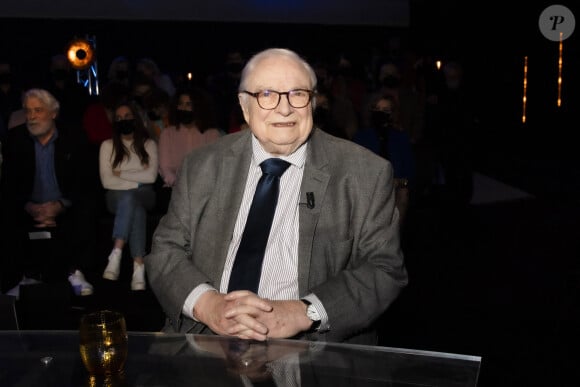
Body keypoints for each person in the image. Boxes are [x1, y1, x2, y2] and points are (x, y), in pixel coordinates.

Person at [145, 48, 408, 344]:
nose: (285, 109)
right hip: (206, 338)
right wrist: (208, 306)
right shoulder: (201, 165)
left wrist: (303, 313)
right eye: (267, 94)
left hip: (311, 350)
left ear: (312, 101)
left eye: (297, 93)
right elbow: (165, 250)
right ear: (245, 107)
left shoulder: (365, 173)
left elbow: (384, 269)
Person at [0, 88, 95, 297]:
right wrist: (30, 207)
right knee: (6, 214)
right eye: (28, 111)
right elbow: (9, 183)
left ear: (53, 113)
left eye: (38, 110)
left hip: (64, 204)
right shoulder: (16, 139)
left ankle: (75, 271)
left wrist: (59, 205)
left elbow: (84, 181)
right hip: (28, 205)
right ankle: (22, 277)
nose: (32, 117)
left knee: (86, 210)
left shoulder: (74, 137)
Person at [99, 101, 158, 291]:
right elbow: (107, 182)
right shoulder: (107, 146)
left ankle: (116, 252)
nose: (122, 121)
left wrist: (121, 174)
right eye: (118, 118)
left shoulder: (149, 144)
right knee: (133, 204)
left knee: (132, 198)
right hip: (115, 197)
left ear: (135, 118)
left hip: (145, 195)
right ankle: (138, 266)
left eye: (126, 116)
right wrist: (137, 178)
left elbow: (151, 177)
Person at [353, 94, 415, 227]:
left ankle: (393, 238)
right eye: (377, 109)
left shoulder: (400, 138)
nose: (380, 113)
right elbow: (355, 169)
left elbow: (409, 171)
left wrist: (398, 182)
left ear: (392, 114)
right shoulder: (361, 137)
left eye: (386, 110)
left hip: (394, 189)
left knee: (403, 194)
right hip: (368, 188)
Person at [158, 86, 221, 189]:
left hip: (204, 188)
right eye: (180, 104)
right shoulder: (167, 134)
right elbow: (164, 167)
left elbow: (214, 166)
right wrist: (178, 184)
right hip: (175, 188)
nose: (183, 108)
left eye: (188, 104)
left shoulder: (212, 134)